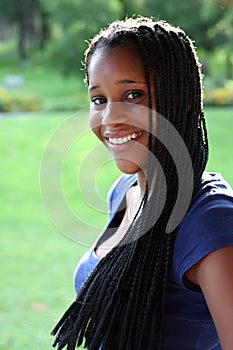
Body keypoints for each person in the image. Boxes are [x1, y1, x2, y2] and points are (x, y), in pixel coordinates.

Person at [51, 17, 233, 350]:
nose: (110, 119)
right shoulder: (124, 191)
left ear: (184, 99)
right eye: (99, 100)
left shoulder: (211, 222)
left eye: (133, 95)